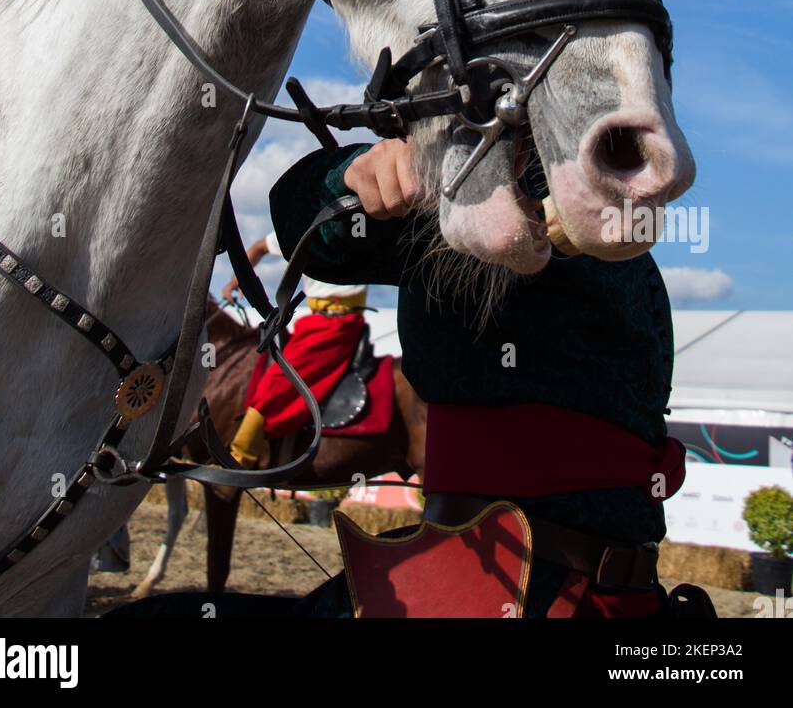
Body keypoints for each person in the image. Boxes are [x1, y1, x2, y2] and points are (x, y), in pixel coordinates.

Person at [267, 139, 714, 619]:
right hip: (484, 589)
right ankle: (255, 433)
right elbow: (308, 227)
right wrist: (351, 175)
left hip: (626, 601)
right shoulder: (469, 185)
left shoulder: (608, 205)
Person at [221, 232, 368, 474]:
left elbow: (259, 247)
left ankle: (239, 461)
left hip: (335, 326)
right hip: (316, 320)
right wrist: (235, 281)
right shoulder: (304, 223)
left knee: (275, 385)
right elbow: (260, 246)